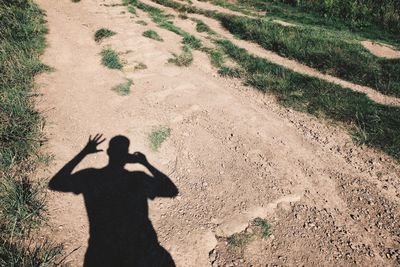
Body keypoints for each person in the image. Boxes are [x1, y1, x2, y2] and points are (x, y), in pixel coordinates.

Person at [49, 134, 178, 267]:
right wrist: (145, 163)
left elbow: (56, 183)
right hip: (136, 252)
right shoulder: (138, 178)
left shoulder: (91, 177)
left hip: (101, 252)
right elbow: (171, 190)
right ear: (127, 156)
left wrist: (84, 153)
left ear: (109, 152)